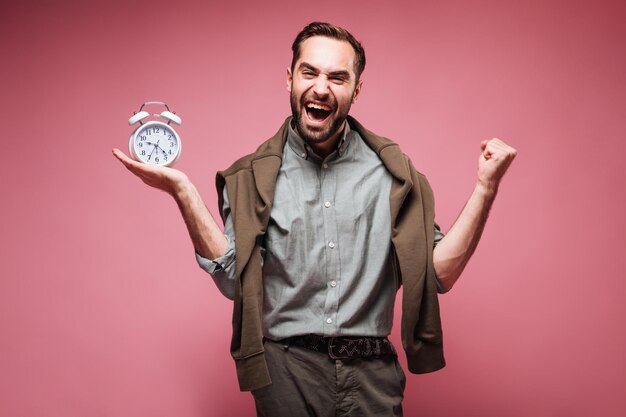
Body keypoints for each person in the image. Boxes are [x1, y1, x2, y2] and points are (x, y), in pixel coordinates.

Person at [113, 21, 516, 417]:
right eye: (310, 72)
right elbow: (234, 281)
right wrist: (182, 191)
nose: (321, 88)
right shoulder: (251, 177)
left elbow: (435, 275)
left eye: (337, 78)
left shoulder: (395, 176)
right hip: (286, 375)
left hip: (372, 378)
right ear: (290, 78)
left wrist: (485, 188)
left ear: (356, 89)